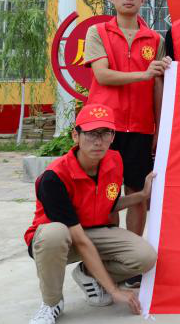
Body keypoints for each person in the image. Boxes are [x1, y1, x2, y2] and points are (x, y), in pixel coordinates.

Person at [25, 103, 157, 324]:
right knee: (54, 234)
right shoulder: (54, 177)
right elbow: (79, 240)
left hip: (93, 231)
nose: (98, 141)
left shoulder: (114, 161)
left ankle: (87, 273)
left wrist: (141, 195)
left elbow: (108, 204)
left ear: (113, 137)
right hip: (59, 239)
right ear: (75, 136)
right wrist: (114, 290)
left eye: (105, 133)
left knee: (145, 256)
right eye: (91, 133)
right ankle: (51, 303)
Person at [83, 0, 170, 246]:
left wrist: (158, 128)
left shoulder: (155, 40)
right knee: (106, 193)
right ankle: (111, 251)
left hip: (141, 128)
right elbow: (102, 75)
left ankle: (132, 252)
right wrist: (143, 74)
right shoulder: (97, 32)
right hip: (104, 128)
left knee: (138, 192)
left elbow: (158, 87)